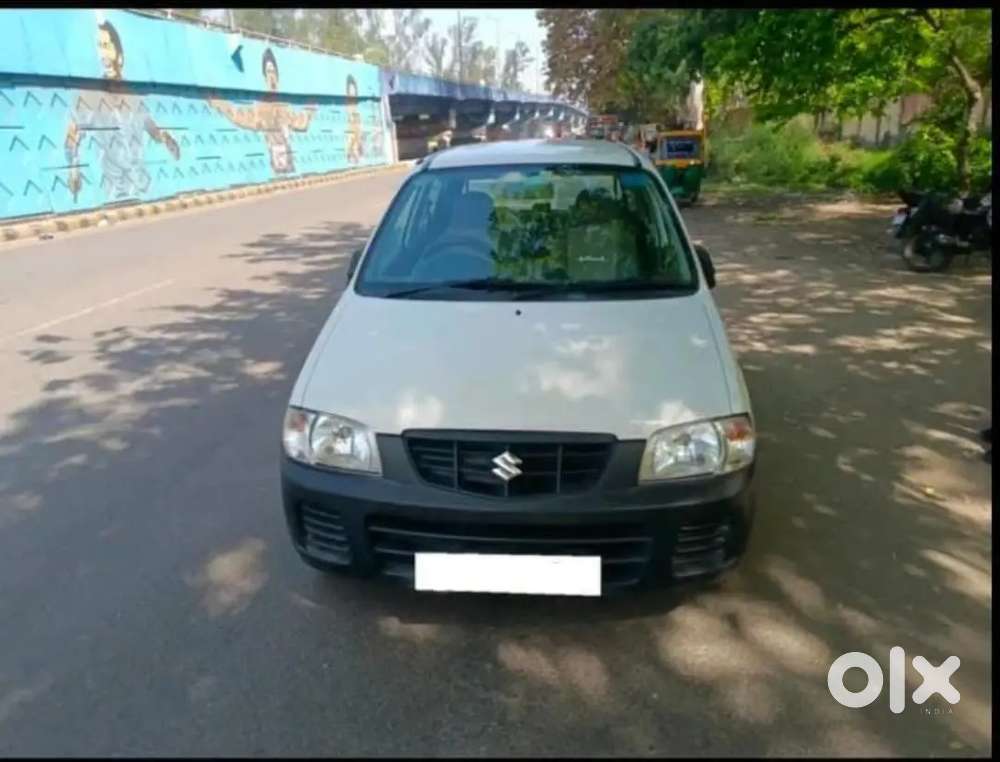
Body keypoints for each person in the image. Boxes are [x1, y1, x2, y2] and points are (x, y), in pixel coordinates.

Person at [65, 20, 181, 202]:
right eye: (99, 47)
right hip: (114, 192)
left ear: (119, 53)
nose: (103, 55)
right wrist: (73, 166)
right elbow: (73, 134)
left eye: (106, 46)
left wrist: (166, 138)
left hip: (142, 186)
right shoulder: (89, 95)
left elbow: (152, 129)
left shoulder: (133, 97)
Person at [208, 48, 316, 175]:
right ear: (264, 76)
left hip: (288, 156)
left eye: (273, 71)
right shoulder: (261, 107)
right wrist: (220, 103)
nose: (272, 76)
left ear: (278, 75)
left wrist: (310, 108)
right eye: (268, 71)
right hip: (275, 157)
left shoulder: (284, 104)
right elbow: (238, 116)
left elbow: (300, 123)